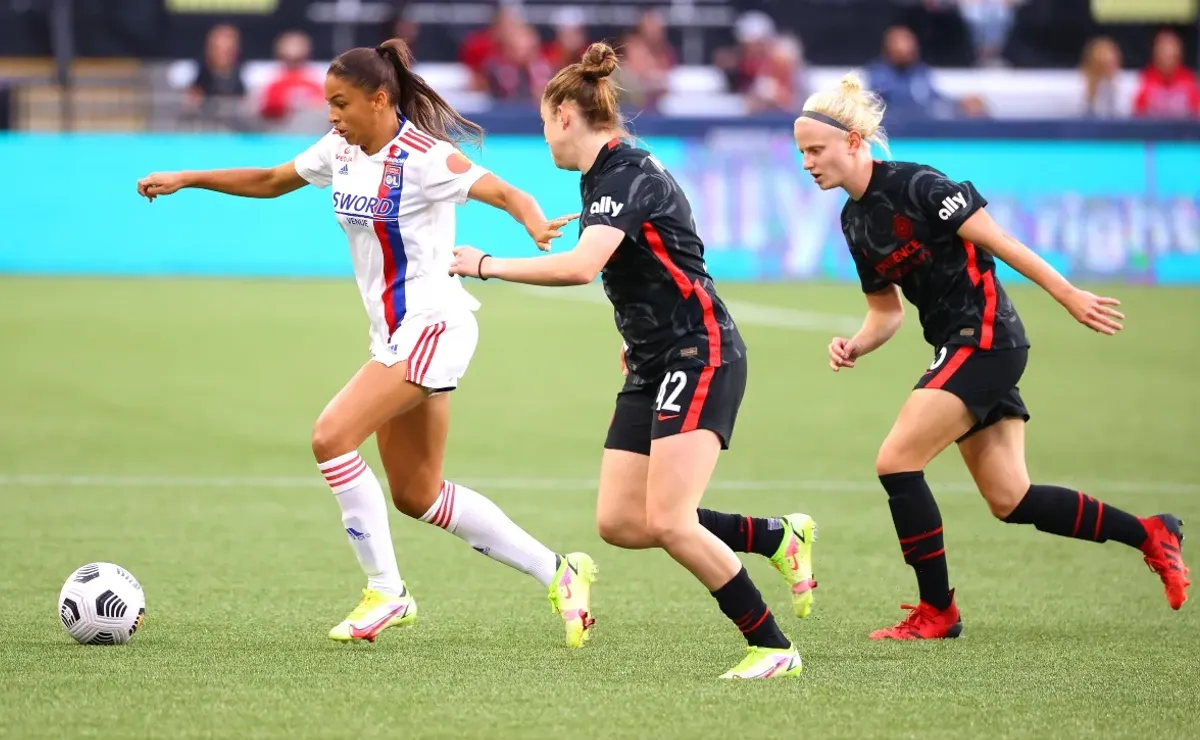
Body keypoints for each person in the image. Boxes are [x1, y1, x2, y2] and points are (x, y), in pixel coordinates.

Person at [136, 38, 597, 648]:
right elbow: (273, 179)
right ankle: (559, 572)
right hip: (393, 335)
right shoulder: (341, 150)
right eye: (329, 103)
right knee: (417, 493)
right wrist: (188, 178)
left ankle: (387, 592)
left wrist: (535, 222)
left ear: (380, 99)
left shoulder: (427, 158)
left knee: (331, 436)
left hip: (434, 325)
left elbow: (506, 192)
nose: (331, 114)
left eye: (341, 103)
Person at [449, 43, 816, 679]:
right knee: (621, 521)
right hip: (653, 360)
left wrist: (486, 264)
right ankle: (776, 537)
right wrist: (638, 336)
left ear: (566, 114)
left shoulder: (627, 173)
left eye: (543, 123)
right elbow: (659, 261)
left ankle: (773, 646)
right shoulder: (603, 177)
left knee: (670, 520)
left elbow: (582, 265)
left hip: (699, 353)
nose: (544, 138)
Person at [792, 72, 1190, 640]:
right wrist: (856, 343)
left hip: (984, 339)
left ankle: (939, 612)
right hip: (961, 347)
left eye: (815, 150)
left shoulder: (921, 186)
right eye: (802, 152)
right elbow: (887, 314)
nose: (807, 162)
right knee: (1011, 498)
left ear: (853, 142)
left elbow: (1002, 243)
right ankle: (1152, 533)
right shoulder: (854, 222)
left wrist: (1069, 294)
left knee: (895, 461)